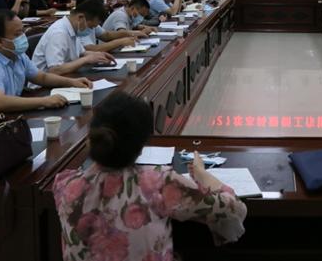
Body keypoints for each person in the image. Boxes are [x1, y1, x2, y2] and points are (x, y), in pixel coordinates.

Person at [53, 92, 247, 261]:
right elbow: (233, 210)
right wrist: (202, 175)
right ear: (141, 148)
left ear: (91, 137)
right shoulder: (158, 183)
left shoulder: (65, 186)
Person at [0, 10, 92, 122]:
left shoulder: (16, 54)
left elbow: (41, 77)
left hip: (10, 118)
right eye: (17, 34)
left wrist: (72, 82)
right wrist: (45, 101)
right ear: (0, 41)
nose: (23, 37)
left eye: (23, 31)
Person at [32, 0, 116, 76]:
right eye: (91, 27)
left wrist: (98, 55)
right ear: (80, 18)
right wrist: (86, 59)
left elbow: (81, 53)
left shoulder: (74, 29)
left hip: (65, 77)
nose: (91, 30)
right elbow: (55, 70)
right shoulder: (59, 33)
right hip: (43, 85)